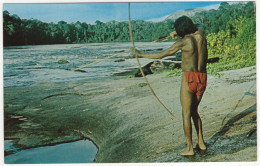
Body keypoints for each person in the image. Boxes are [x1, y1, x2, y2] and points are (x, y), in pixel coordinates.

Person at [132, 16, 208, 156]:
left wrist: (139, 54)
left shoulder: (183, 42)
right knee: (194, 111)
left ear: (180, 30)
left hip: (189, 77)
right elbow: (199, 24)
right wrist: (178, 31)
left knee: (186, 113)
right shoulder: (201, 35)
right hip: (202, 77)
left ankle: (189, 148)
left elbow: (161, 55)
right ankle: (201, 143)